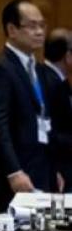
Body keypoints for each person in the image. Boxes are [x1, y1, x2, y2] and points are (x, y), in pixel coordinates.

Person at [0, 0, 61, 212]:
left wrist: (55, 169)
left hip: (41, 169)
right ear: (12, 29)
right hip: (14, 175)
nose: (39, 32)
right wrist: (13, 171)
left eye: (42, 25)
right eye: (32, 26)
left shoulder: (40, 70)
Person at [44, 28, 72, 191]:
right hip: (57, 170)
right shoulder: (49, 83)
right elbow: (48, 131)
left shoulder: (57, 81)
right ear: (68, 56)